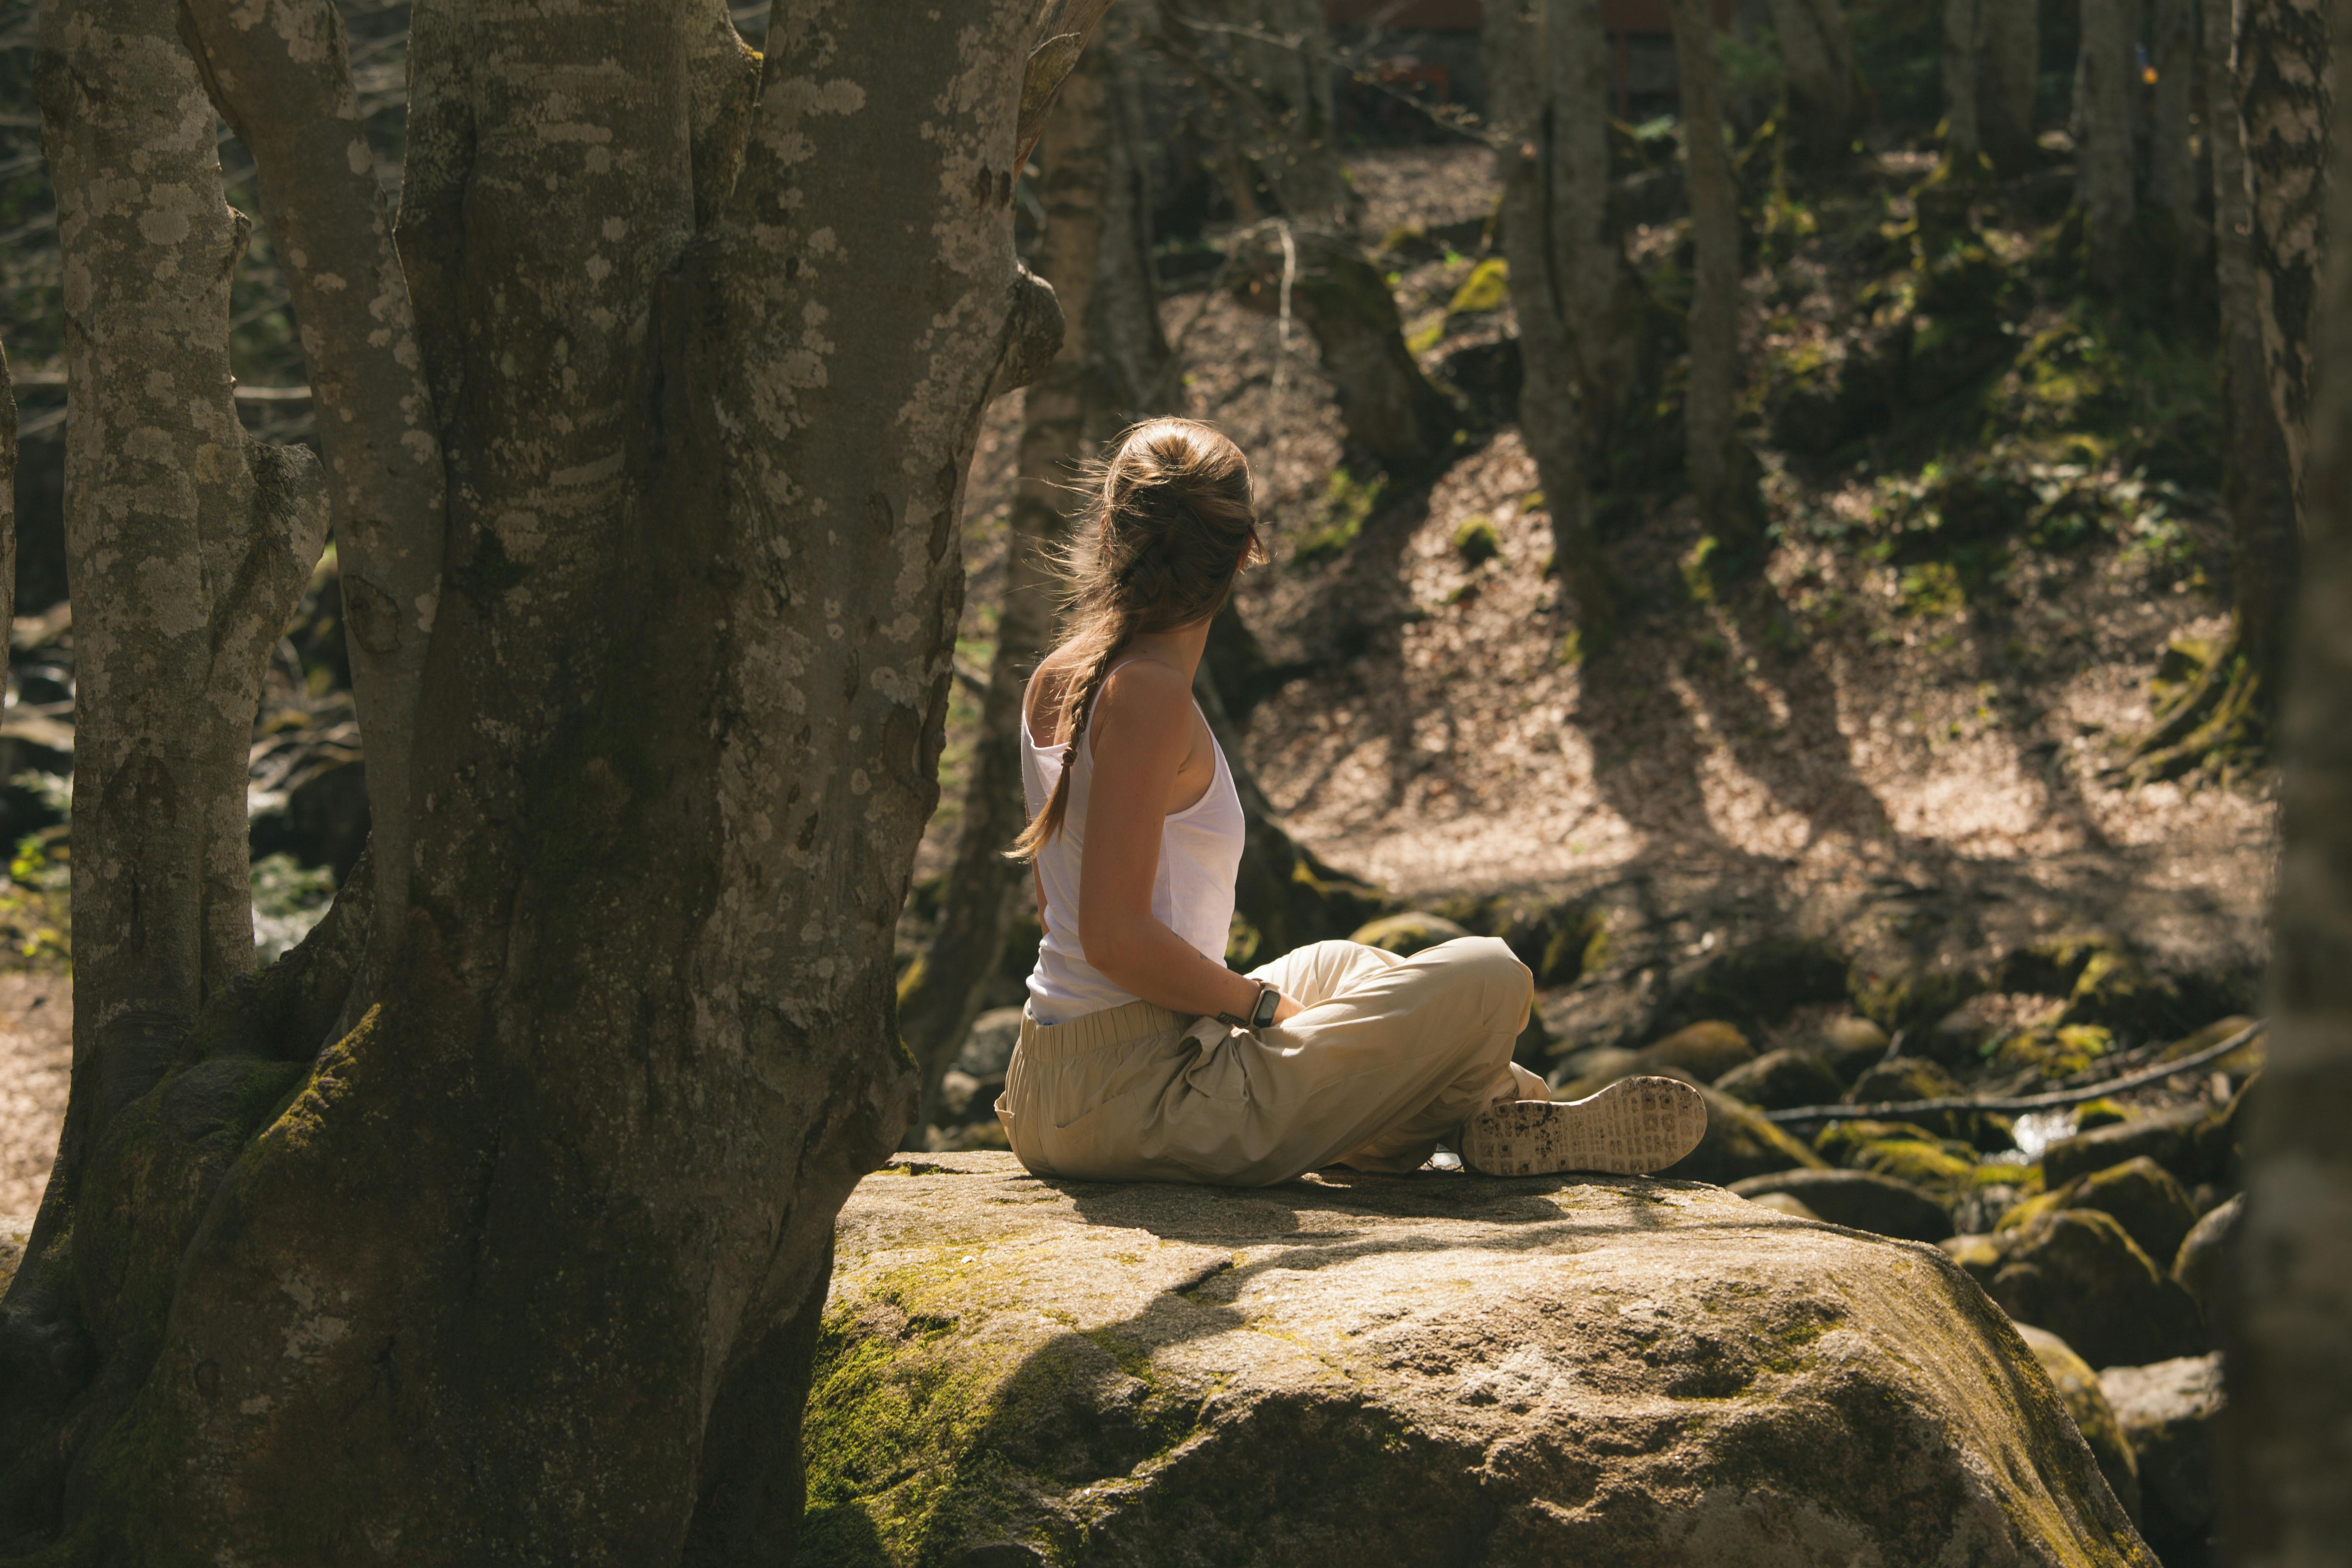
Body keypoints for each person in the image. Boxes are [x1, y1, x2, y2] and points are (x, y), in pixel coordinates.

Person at [993, 417, 1704, 1184]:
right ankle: (1489, 1113)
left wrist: (1248, 1006)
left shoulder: (1059, 679)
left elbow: (1056, 911)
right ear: (1246, 549)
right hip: (1136, 1099)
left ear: (1109, 531)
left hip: (1062, 1075)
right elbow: (1114, 939)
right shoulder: (1148, 697)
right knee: (1493, 976)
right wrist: (1259, 1009)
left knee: (1340, 966)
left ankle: (1490, 1118)